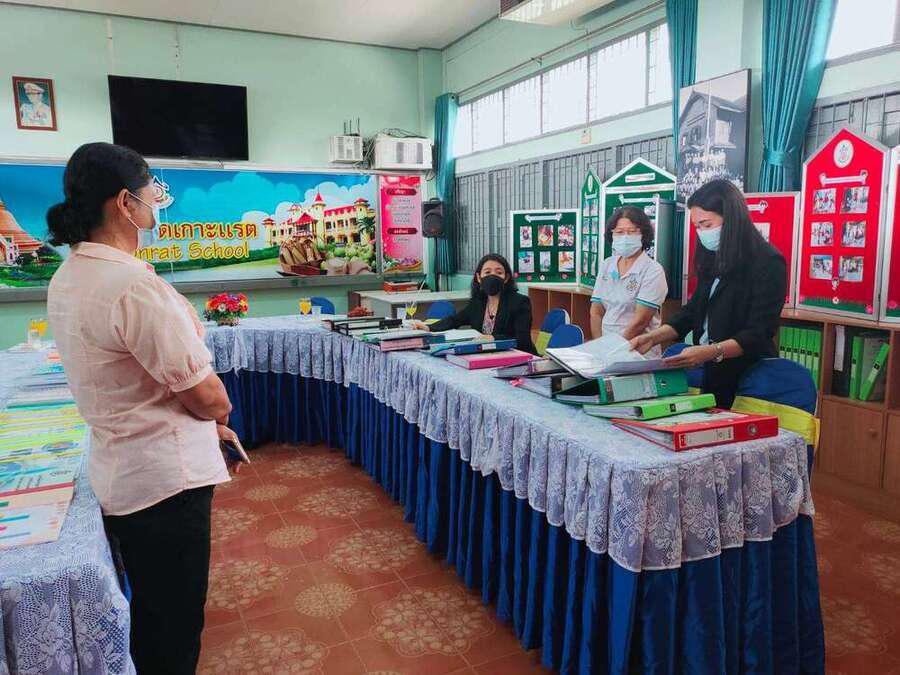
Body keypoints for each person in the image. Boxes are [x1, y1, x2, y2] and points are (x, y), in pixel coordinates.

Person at [46, 142, 239, 675]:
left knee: (153, 610)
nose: (157, 204)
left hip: (123, 474)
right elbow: (205, 395)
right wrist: (220, 413)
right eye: (152, 192)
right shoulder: (130, 284)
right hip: (166, 483)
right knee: (174, 622)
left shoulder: (70, 275)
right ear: (124, 203)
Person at [631, 179, 787, 408]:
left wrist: (712, 351)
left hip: (749, 375)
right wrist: (653, 337)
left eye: (706, 224)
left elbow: (759, 333)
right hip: (713, 371)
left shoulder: (768, 262)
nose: (702, 233)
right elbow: (693, 310)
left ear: (731, 219)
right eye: (697, 226)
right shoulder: (715, 255)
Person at [415, 253, 536, 354]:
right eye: (487, 272)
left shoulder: (520, 302)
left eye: (499, 273)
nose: (493, 276)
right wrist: (429, 327)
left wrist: (494, 338)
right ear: (479, 277)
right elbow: (455, 320)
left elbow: (522, 339)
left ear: (506, 278)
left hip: (519, 357)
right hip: (488, 356)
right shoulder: (478, 303)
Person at [590, 206, 667, 356]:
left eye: (632, 231)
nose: (625, 237)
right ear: (611, 235)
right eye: (619, 232)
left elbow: (640, 322)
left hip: (638, 352)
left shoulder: (653, 270)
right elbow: (596, 311)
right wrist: (599, 347)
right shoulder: (607, 264)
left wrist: (613, 351)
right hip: (606, 349)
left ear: (643, 234)